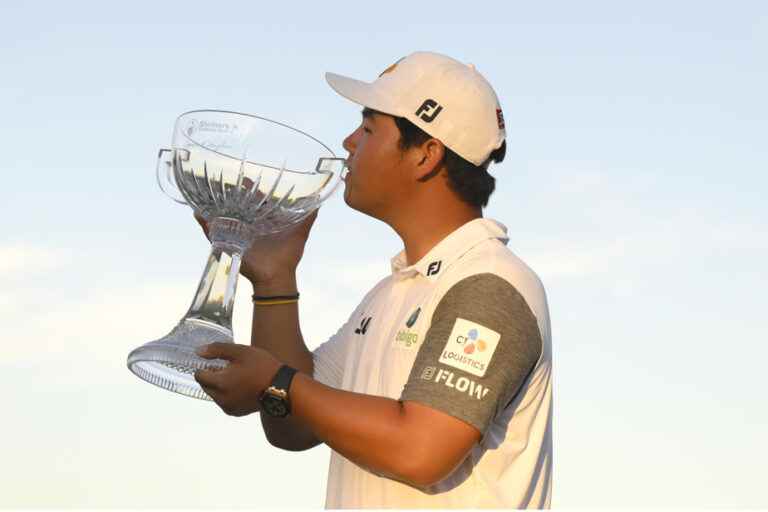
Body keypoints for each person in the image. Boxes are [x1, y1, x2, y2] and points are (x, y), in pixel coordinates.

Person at [193, 50, 553, 509]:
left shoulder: (491, 282)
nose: (348, 142)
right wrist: (274, 279)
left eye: (367, 128)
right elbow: (292, 424)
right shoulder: (387, 296)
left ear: (426, 155)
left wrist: (276, 381)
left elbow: (421, 449)